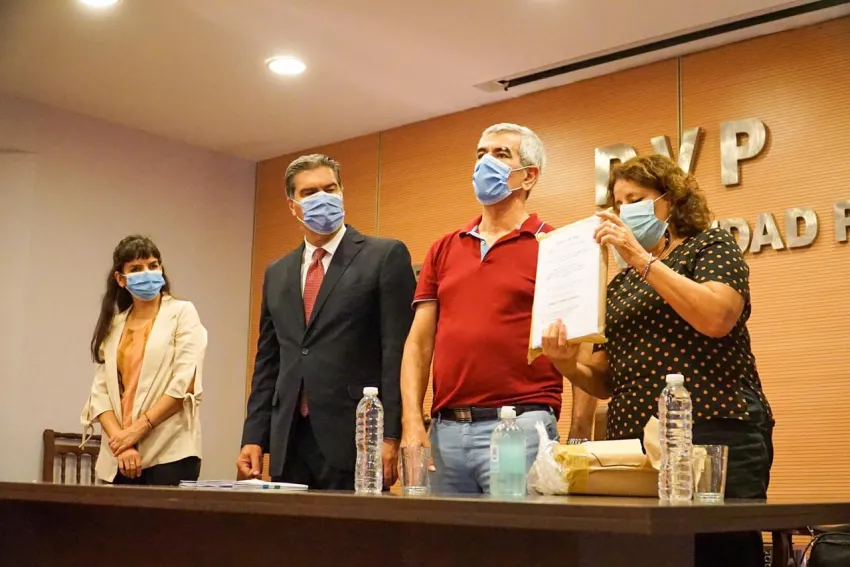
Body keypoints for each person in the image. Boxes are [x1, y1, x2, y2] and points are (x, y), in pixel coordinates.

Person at [541, 154, 774, 567]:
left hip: (714, 430)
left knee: (720, 552)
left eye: (636, 199)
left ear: (672, 199)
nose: (624, 211)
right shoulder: (621, 284)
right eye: (619, 203)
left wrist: (641, 259)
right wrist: (565, 363)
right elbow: (603, 379)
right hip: (635, 444)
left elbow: (717, 317)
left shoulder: (710, 246)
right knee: (646, 554)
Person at [400, 123, 598, 495]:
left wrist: (579, 434)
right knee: (439, 533)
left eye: (500, 154)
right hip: (444, 432)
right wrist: (411, 420)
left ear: (529, 176)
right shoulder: (444, 248)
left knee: (513, 533)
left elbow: (582, 345)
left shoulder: (556, 245)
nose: (485, 163)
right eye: (481, 154)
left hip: (518, 429)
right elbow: (418, 344)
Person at [237, 154, 416, 490]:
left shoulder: (384, 256)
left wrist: (392, 435)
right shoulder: (277, 273)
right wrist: (254, 435)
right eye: (309, 192)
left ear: (342, 192)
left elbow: (398, 352)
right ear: (292, 206)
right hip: (290, 438)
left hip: (357, 438)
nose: (322, 198)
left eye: (330, 189)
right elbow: (268, 361)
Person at [81, 235, 206, 486]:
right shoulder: (115, 324)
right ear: (121, 279)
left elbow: (183, 384)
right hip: (120, 453)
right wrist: (122, 442)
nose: (147, 273)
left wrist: (136, 431)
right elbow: (100, 393)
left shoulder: (182, 313)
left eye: (153, 265)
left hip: (169, 450)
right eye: (136, 269)